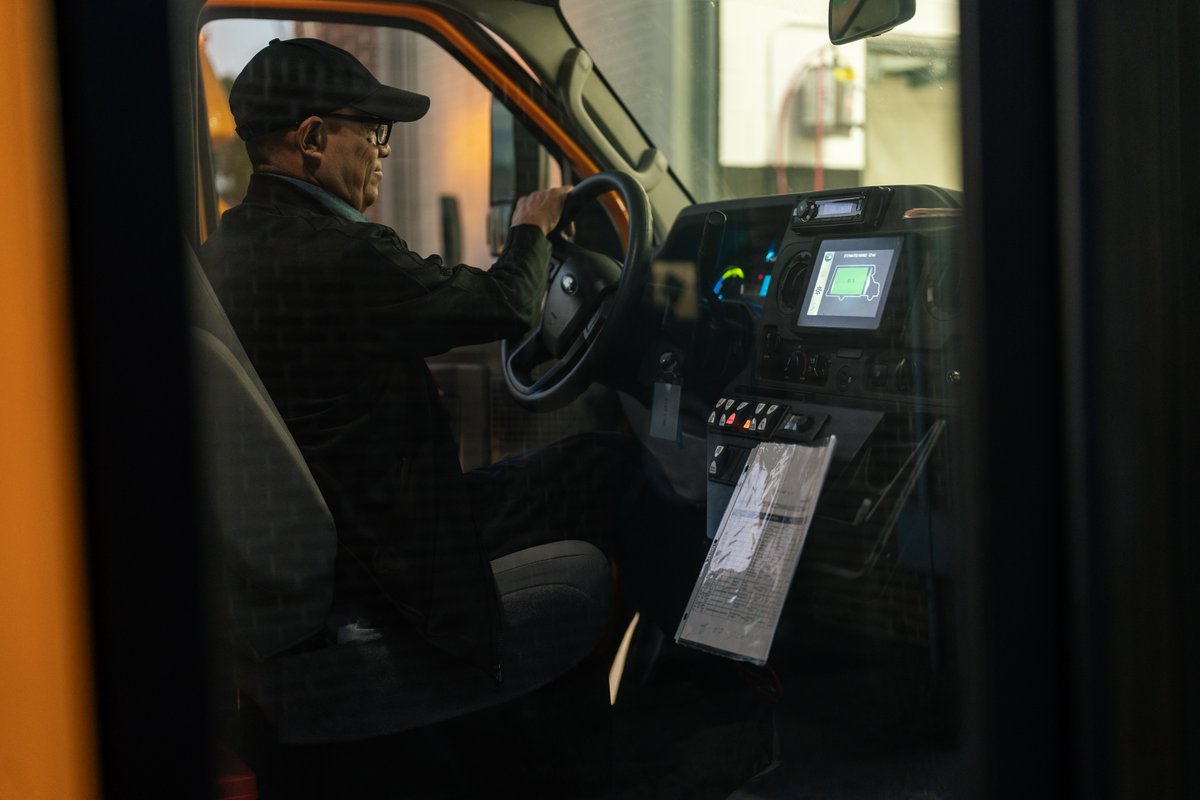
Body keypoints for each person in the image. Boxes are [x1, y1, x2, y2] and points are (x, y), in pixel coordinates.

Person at [201, 38, 705, 681]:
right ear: (313, 138)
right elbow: (504, 305)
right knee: (617, 471)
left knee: (588, 464)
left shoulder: (235, 243)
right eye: (374, 130)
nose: (384, 149)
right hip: (402, 559)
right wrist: (532, 228)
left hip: (363, 529)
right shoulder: (337, 255)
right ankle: (705, 676)